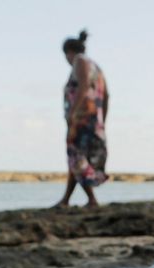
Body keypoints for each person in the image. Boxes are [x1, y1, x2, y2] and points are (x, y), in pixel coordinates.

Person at [55, 30, 109, 209]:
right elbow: (107, 96)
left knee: (76, 157)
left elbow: (84, 84)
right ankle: (67, 199)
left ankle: (89, 199)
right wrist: (103, 121)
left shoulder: (80, 61)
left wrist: (73, 113)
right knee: (77, 158)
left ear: (69, 52)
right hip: (93, 120)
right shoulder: (96, 67)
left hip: (82, 120)